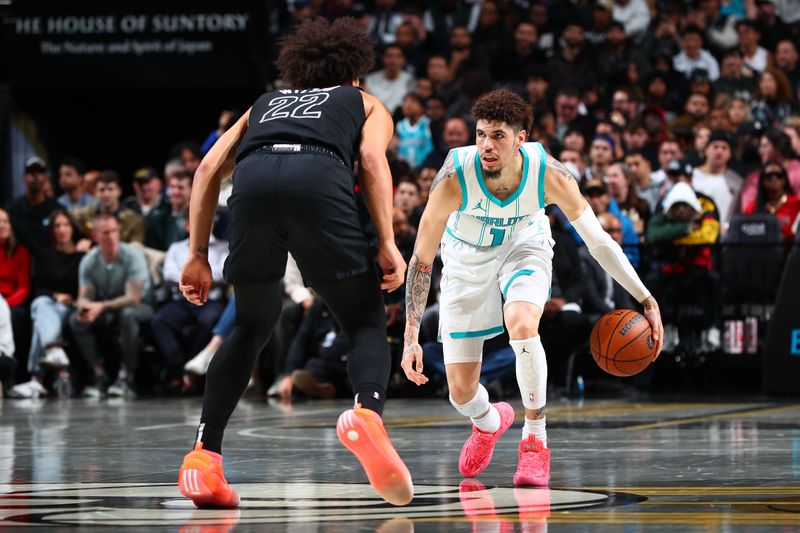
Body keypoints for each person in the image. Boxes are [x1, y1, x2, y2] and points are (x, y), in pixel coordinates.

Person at [176, 17, 412, 509]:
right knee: (366, 318)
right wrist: (388, 240)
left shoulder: (264, 104)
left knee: (249, 326)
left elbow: (205, 169)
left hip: (254, 181)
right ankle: (366, 414)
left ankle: (204, 456)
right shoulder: (364, 102)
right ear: (355, 75)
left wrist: (197, 254)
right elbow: (370, 161)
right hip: (318, 178)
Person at [401, 89, 663, 487]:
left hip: (525, 246)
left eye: (499, 136)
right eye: (481, 134)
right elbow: (421, 260)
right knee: (460, 393)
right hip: (466, 259)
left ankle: (535, 442)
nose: (487, 145)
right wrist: (410, 334)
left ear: (521, 138)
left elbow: (600, 242)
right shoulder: (454, 178)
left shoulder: (551, 174)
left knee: (522, 323)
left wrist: (645, 297)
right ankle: (488, 422)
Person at [69, 214, 152, 398]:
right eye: (105, 233)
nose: (112, 236)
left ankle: (127, 376)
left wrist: (101, 306)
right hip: (109, 307)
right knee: (77, 320)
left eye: (114, 231)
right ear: (95, 237)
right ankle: (99, 374)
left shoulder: (132, 255)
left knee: (128, 314)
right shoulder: (89, 261)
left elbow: (134, 298)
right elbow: (85, 295)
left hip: (141, 306)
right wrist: (85, 307)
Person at [10, 210, 84, 399]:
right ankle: (53, 349)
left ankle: (37, 378)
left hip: (75, 306)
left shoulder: (81, 256)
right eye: (57, 226)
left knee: (41, 317)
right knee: (41, 304)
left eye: (66, 225)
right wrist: (56, 295)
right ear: (51, 230)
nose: (61, 230)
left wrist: (71, 298)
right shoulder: (45, 255)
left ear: (73, 228)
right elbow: (39, 288)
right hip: (52, 305)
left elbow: (85, 287)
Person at [743, 161, 800, 242]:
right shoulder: (752, 207)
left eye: (779, 175)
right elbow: (744, 232)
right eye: (769, 176)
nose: (774, 179)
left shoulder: (796, 204)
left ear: (785, 180)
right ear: (762, 181)